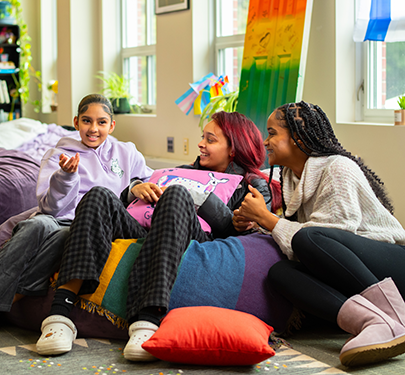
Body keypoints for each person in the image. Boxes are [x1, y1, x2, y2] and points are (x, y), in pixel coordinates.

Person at [35, 111, 276, 361]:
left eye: (210, 140)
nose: (201, 144)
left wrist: (208, 203)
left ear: (233, 149)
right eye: (202, 137)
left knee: (177, 195)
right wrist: (134, 189)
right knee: (97, 195)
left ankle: (146, 321)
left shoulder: (252, 185)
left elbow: (246, 234)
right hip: (146, 229)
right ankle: (60, 314)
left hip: (193, 237)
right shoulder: (182, 170)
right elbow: (128, 204)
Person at [233, 100, 405, 367]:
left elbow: (327, 240)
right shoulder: (289, 177)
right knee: (280, 273)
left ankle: (397, 316)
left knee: (308, 239)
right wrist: (251, 220)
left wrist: (268, 219)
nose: (265, 141)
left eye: (272, 133)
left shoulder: (338, 167)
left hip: (392, 267)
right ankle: (372, 321)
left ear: (298, 137)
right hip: (354, 275)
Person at [0, 93, 153, 313]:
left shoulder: (127, 152)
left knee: (64, 239)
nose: (93, 129)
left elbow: (149, 180)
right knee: (36, 226)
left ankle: (13, 298)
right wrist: (65, 176)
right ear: (76, 122)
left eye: (101, 122)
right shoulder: (57, 154)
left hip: (88, 225)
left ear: (111, 125)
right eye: (86, 121)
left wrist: (136, 185)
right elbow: (49, 208)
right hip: (57, 217)